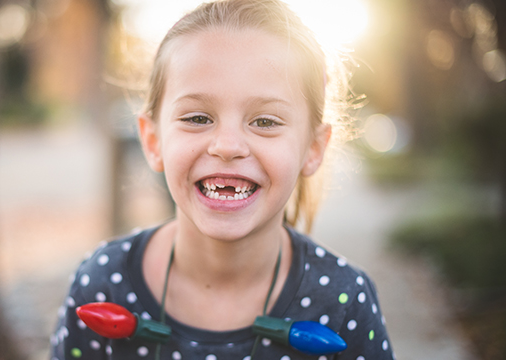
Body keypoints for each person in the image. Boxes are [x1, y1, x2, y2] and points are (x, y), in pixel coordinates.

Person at [51, 0, 394, 359]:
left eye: (265, 121)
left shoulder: (342, 301)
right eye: (198, 118)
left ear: (312, 148)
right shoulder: (102, 284)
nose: (228, 146)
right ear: (153, 141)